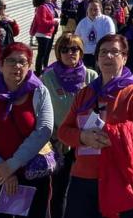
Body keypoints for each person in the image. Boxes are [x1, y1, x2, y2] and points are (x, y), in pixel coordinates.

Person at [58, 34, 133, 218]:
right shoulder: (85, 94)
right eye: (103, 52)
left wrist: (113, 134)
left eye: (115, 52)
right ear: (96, 58)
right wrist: (83, 137)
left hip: (119, 177)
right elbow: (64, 132)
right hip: (83, 177)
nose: (108, 57)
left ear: (125, 57)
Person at [0, 42, 54, 218]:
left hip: (33, 175)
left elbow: (44, 129)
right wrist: (3, 173)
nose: (17, 66)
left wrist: (11, 165)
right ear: (0, 64)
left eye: (23, 62)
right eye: (11, 61)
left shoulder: (40, 93)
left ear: (29, 66)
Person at [41, 34, 98, 218]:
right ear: (58, 53)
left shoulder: (92, 76)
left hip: (87, 141)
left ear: (81, 52)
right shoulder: (48, 78)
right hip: (59, 142)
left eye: (74, 49)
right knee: (59, 190)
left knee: (86, 187)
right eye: (64, 49)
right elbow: (41, 110)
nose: (70, 53)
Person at [74, 0, 116, 69]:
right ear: (87, 10)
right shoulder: (82, 22)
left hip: (101, 54)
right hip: (85, 55)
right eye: (90, 9)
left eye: (96, 9)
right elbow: (76, 39)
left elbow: (110, 38)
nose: (93, 12)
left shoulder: (106, 20)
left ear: (101, 9)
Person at [31, 0, 61, 76]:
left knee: (45, 53)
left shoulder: (48, 6)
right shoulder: (42, 7)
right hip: (42, 34)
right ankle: (38, 72)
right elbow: (42, 22)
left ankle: (44, 69)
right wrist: (54, 22)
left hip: (48, 33)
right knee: (41, 54)